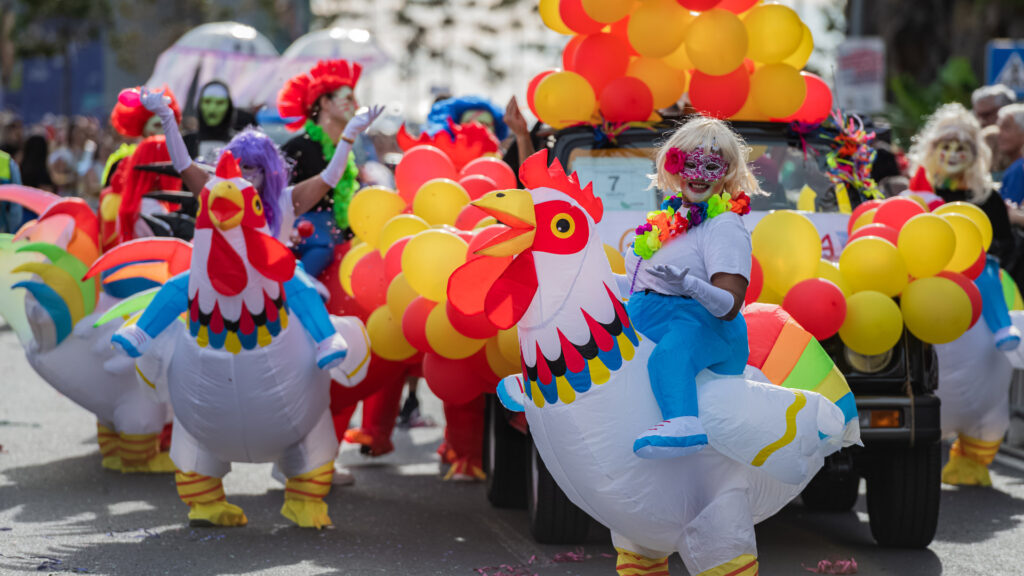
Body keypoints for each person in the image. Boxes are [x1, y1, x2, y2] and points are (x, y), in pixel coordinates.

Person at [136, 86, 382, 369]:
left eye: (256, 168)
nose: (248, 175)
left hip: (273, 280)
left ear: (269, 170)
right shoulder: (217, 194)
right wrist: (167, 117)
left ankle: (326, 339)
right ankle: (141, 332)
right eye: (243, 167)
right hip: (222, 279)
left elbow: (329, 177)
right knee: (182, 282)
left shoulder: (285, 199)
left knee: (295, 279)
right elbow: (183, 164)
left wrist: (349, 135)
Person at [623, 115, 757, 458]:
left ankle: (684, 423)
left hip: (703, 326)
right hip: (655, 316)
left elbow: (729, 306)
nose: (697, 175)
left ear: (727, 172)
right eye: (687, 162)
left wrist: (690, 285)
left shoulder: (724, 224)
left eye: (711, 165)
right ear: (673, 164)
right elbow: (645, 283)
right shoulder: (673, 216)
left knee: (669, 358)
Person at [277, 59, 365, 278]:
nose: (356, 105)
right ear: (325, 103)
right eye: (348, 98)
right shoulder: (298, 148)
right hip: (299, 246)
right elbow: (275, 198)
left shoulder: (345, 153)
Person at [183, 80, 257, 163]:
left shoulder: (240, 143)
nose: (212, 109)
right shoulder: (185, 142)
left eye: (219, 103)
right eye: (207, 101)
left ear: (229, 106)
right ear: (200, 104)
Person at [997, 103, 1024, 206]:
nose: (999, 134)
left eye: (1006, 128)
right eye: (999, 128)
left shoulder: (1019, 169)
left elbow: (1008, 215)